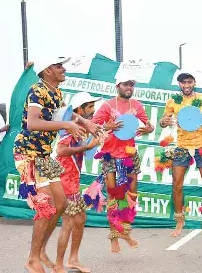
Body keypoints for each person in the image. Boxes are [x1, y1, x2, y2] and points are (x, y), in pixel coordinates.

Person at [14, 57, 101, 273]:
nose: (63, 69)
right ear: (47, 70)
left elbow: (66, 113)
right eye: (58, 65)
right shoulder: (37, 90)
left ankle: (41, 250)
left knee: (60, 204)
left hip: (43, 156)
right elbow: (32, 123)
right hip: (28, 154)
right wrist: (67, 125)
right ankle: (33, 258)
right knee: (46, 206)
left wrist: (85, 122)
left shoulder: (56, 92)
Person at [89, 72, 154, 253]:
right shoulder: (107, 105)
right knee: (113, 195)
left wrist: (149, 128)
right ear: (118, 86)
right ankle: (114, 236)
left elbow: (149, 125)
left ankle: (125, 230)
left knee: (131, 194)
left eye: (131, 85)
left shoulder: (137, 105)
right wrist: (108, 127)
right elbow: (93, 126)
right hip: (110, 155)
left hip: (129, 155)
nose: (129, 88)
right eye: (125, 84)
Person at [159, 73, 202, 237]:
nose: (186, 85)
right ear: (179, 84)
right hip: (182, 146)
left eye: (189, 82)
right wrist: (164, 122)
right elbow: (163, 121)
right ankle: (180, 220)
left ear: (194, 83)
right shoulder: (173, 101)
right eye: (183, 82)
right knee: (177, 184)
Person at [53, 92, 103, 273]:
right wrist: (87, 147)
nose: (93, 110)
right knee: (69, 223)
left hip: (72, 182)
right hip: (65, 183)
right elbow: (60, 150)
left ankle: (73, 259)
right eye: (90, 107)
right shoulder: (69, 129)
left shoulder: (78, 127)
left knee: (80, 219)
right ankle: (59, 264)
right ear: (79, 109)